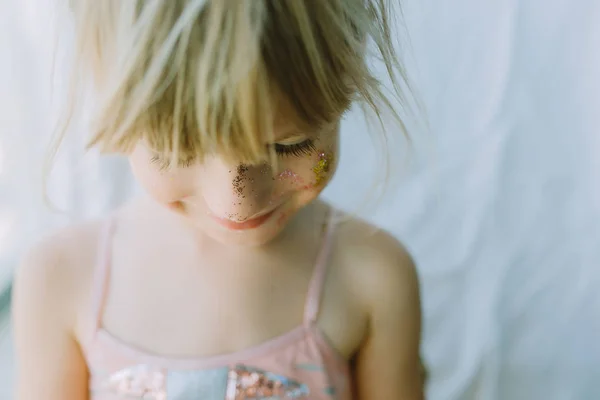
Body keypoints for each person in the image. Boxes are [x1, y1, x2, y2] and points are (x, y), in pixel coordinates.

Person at [12, 1, 423, 399]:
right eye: (179, 152)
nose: (237, 204)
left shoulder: (372, 278)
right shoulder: (60, 280)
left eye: (290, 145)